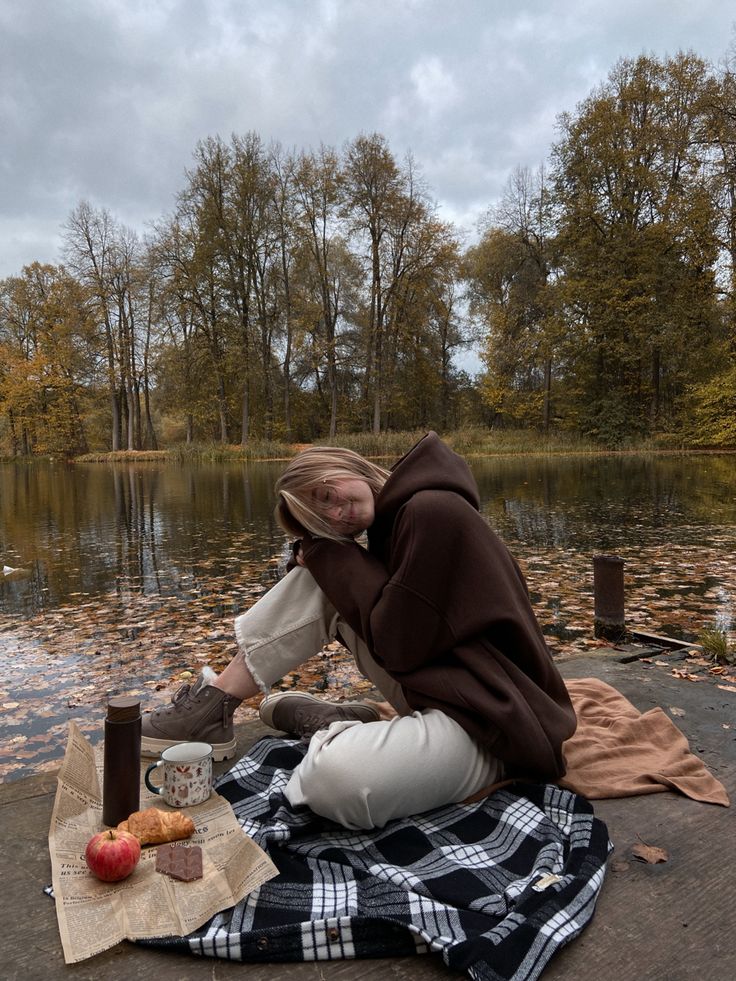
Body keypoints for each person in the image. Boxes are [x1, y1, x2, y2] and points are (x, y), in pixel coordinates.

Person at [141, 432, 577, 829]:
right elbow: (404, 635)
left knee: (335, 784)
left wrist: (324, 549)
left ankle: (338, 727)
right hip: (451, 686)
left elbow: (400, 647)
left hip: (497, 726)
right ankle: (214, 705)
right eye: (322, 515)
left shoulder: (433, 513)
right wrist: (321, 549)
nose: (337, 511)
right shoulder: (397, 521)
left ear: (344, 464)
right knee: (321, 577)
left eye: (327, 493)